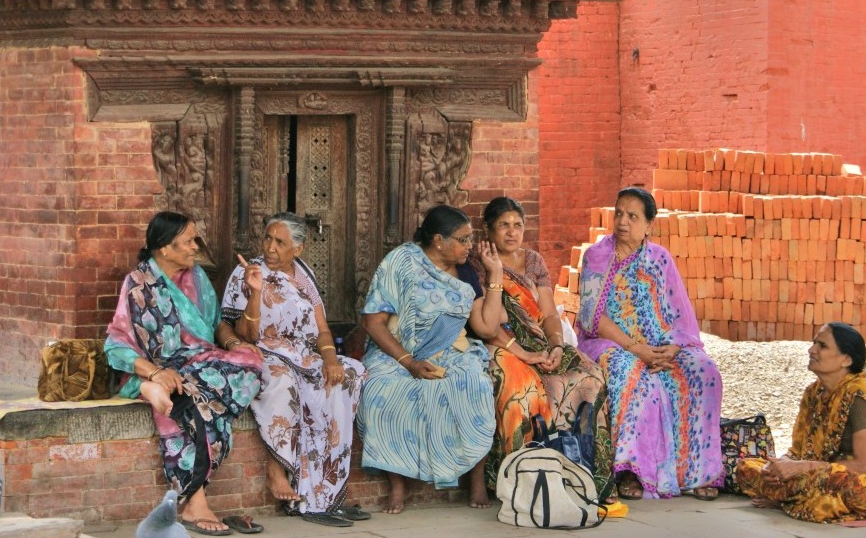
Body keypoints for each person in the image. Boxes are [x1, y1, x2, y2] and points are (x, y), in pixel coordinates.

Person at [105, 211, 264, 536]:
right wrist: (153, 374)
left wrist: (234, 343)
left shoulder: (197, 278)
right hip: (162, 368)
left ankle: (163, 392)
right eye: (189, 241)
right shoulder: (138, 283)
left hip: (202, 365)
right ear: (164, 247)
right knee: (192, 405)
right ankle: (195, 500)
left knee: (252, 363)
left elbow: (216, 323)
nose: (195, 247)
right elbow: (116, 343)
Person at [220, 212, 369, 529]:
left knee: (350, 373)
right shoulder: (246, 272)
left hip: (303, 354)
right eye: (267, 239)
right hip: (266, 352)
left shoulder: (305, 274)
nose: (270, 247)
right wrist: (256, 291)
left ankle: (324, 494)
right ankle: (282, 475)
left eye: (280, 242)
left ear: (298, 249)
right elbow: (244, 333)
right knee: (283, 381)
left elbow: (322, 329)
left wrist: (330, 358)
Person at [576, 187, 724, 500]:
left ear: (648, 226)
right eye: (618, 213)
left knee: (704, 372)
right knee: (631, 375)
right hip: (610, 343)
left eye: (632, 216)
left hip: (660, 345)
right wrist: (636, 348)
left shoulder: (660, 259)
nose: (622, 222)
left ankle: (696, 474)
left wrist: (673, 347)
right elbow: (593, 319)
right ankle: (631, 472)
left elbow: (678, 315)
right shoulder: (597, 257)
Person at [357, 204, 505, 513]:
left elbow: (486, 327)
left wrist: (495, 275)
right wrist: (408, 362)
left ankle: (476, 477)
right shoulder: (401, 262)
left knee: (474, 384)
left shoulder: (465, 270)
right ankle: (397, 484)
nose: (469, 246)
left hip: (450, 352)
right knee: (381, 391)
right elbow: (373, 323)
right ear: (438, 240)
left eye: (470, 238)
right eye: (462, 240)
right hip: (397, 353)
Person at [469, 197, 613, 495]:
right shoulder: (476, 262)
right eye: (503, 226)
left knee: (590, 378)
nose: (512, 232)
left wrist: (557, 346)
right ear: (488, 229)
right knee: (521, 387)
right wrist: (524, 354)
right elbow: (485, 326)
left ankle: (585, 477)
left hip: (539, 342)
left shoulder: (533, 261)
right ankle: (523, 485)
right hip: (500, 344)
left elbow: (548, 314)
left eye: (518, 225)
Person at [735, 323, 866, 523]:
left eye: (822, 346)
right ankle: (795, 497)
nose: (811, 350)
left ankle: (788, 498)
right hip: (820, 474)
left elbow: (863, 466)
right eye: (814, 343)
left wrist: (801, 468)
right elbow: (798, 451)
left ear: (846, 359)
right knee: (747, 467)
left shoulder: (860, 396)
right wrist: (780, 466)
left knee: (834, 479)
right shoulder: (813, 393)